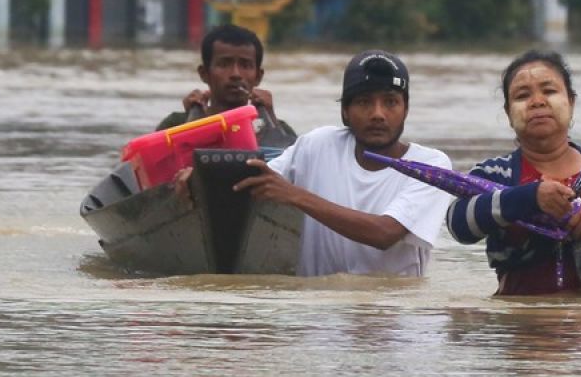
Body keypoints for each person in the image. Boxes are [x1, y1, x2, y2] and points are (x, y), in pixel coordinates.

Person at [445, 51, 581, 296]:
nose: (537, 102)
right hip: (523, 326)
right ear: (509, 113)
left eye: (549, 91)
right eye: (522, 96)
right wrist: (528, 198)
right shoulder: (497, 173)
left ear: (571, 102)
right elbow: (457, 224)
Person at [234, 50, 452, 278]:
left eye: (390, 102)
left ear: (406, 110)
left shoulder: (430, 166)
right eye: (364, 101)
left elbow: (385, 233)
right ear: (345, 112)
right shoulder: (316, 145)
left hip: (392, 311)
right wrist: (194, 175)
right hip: (316, 310)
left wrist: (295, 195)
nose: (378, 114)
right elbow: (252, 179)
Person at [156, 23, 295, 146]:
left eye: (245, 65)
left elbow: (293, 169)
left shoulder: (279, 131)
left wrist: (270, 118)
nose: (236, 74)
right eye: (224, 64)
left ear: (258, 77)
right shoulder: (175, 124)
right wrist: (192, 122)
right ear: (204, 73)